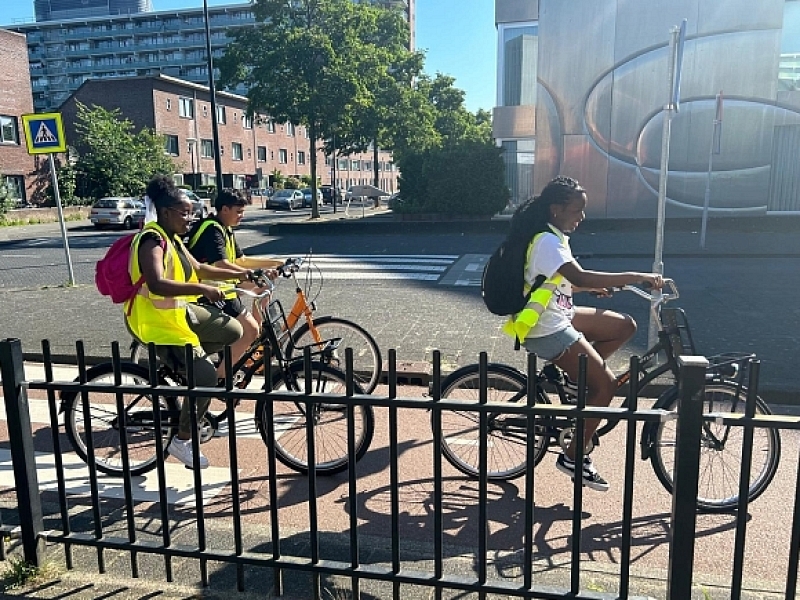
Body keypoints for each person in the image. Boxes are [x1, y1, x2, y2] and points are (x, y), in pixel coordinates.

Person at [504, 176, 663, 492]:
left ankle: (579, 380)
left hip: (561, 314)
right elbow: (579, 274)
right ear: (556, 209)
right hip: (545, 328)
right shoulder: (547, 241)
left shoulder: (555, 236)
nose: (582, 217)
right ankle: (574, 457)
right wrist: (637, 276)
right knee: (604, 387)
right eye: (577, 210)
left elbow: (558, 280)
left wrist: (586, 287)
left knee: (624, 326)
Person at [127, 175, 252, 469]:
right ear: (167, 212)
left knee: (234, 329)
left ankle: (186, 369)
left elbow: (200, 268)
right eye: (185, 213)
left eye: (191, 212)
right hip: (157, 324)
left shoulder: (173, 239)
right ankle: (182, 439)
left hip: (180, 316)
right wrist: (202, 289)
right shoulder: (151, 240)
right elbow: (157, 283)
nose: (190, 218)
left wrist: (243, 276)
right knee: (207, 378)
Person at [186, 188, 283, 372]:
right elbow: (221, 265)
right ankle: (221, 379)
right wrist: (253, 273)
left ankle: (254, 336)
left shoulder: (225, 229)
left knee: (262, 288)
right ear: (224, 209)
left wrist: (277, 262)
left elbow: (241, 260)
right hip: (210, 291)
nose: (242, 216)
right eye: (238, 212)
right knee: (250, 330)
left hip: (225, 285)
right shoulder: (212, 230)